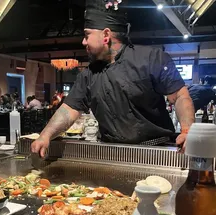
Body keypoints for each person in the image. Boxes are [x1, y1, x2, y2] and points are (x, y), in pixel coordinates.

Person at [32, 0, 194, 157]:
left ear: (106, 35)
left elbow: (180, 96)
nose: (83, 41)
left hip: (156, 151)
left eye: (87, 35)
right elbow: (69, 110)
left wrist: (187, 130)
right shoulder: (88, 74)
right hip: (112, 152)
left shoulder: (153, 58)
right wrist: (45, 135)